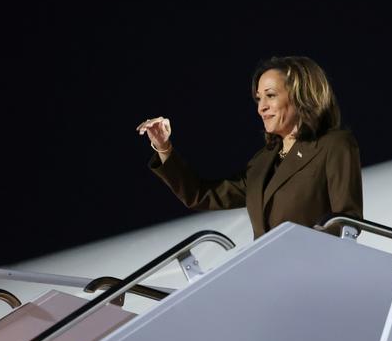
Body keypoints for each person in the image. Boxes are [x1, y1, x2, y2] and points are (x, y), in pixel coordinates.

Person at [136, 56, 363, 239]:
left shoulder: (333, 145)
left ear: (301, 95)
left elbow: (346, 222)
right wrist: (164, 147)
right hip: (266, 278)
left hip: (312, 275)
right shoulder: (262, 162)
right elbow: (202, 195)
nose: (261, 108)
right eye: (258, 99)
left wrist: (301, 250)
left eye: (270, 96)